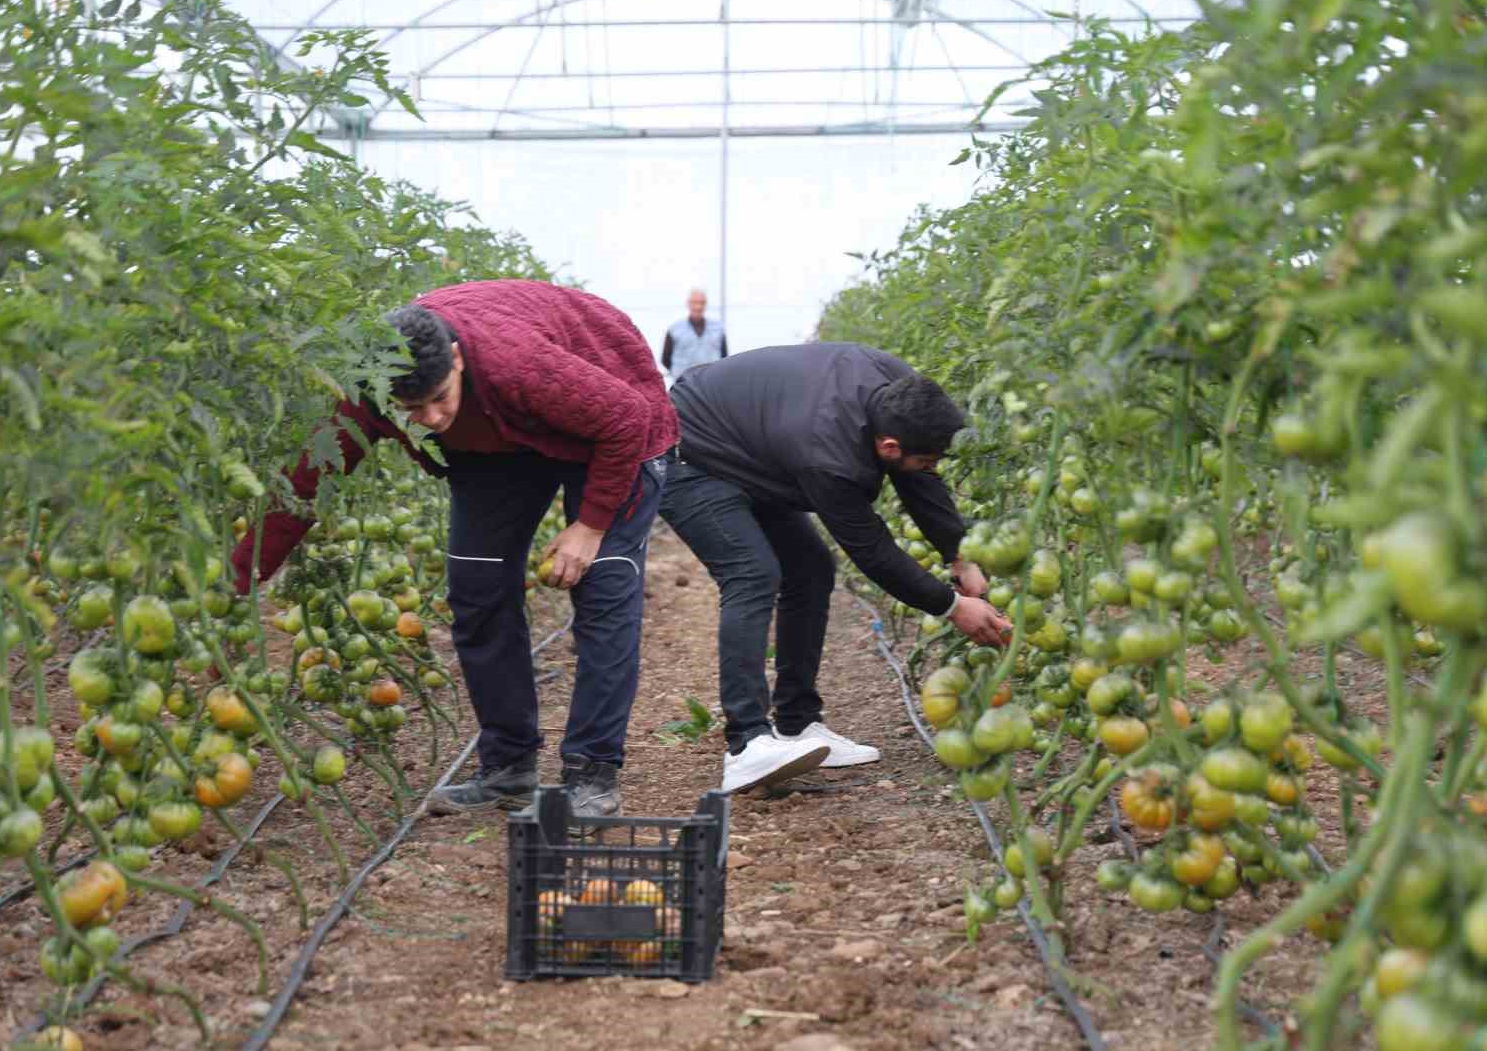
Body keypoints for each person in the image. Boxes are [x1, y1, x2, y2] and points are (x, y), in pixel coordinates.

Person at [231, 280, 677, 819]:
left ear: (458, 360)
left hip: (610, 420)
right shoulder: (372, 388)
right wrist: (239, 578)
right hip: (498, 444)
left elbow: (624, 416)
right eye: (411, 411)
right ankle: (509, 768)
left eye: (439, 398)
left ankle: (591, 776)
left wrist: (589, 525)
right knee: (477, 586)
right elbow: (309, 479)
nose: (433, 419)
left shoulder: (518, 364)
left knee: (602, 586)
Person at [658, 342, 1012, 794]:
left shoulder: (900, 387)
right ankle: (746, 745)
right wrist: (950, 606)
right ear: (888, 447)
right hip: (688, 455)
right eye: (926, 457)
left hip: (752, 450)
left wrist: (958, 556)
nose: (931, 466)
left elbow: (919, 476)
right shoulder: (828, 456)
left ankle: (796, 724)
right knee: (752, 574)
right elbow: (873, 551)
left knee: (810, 570)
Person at [660, 288, 727, 386]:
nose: (698, 306)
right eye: (694, 302)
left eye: (702, 303)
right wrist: (679, 374)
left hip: (710, 385)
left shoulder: (718, 329)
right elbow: (665, 359)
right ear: (688, 303)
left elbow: (724, 357)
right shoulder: (674, 329)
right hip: (683, 386)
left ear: (706, 304)